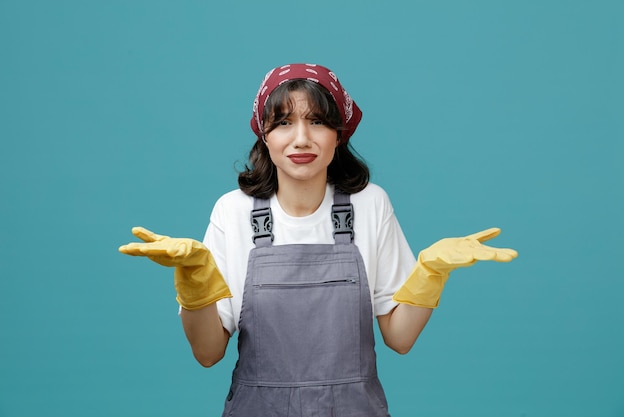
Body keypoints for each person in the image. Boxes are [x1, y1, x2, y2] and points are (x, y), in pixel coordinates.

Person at [119, 63, 518, 416]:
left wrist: (431, 274)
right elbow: (208, 353)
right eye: (283, 123)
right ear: (264, 135)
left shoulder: (370, 205)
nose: (302, 138)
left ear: (339, 133)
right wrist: (194, 281)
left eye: (318, 121)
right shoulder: (233, 211)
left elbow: (399, 338)